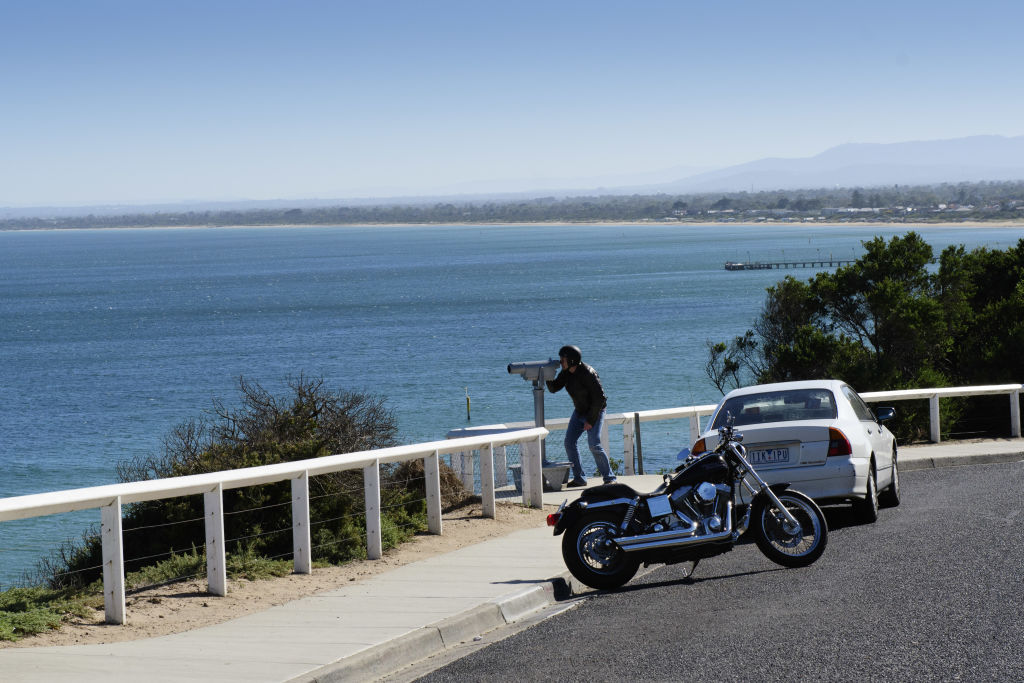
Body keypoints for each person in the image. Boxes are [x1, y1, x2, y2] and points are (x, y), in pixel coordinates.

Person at [545, 345, 616, 487]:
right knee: (569, 442)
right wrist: (548, 374)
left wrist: (590, 420)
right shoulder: (566, 373)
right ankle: (580, 478)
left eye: (562, 359)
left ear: (571, 360)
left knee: (594, 445)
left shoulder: (588, 373)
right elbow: (554, 388)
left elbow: (600, 399)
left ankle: (609, 479)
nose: (561, 362)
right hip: (579, 411)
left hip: (595, 411)